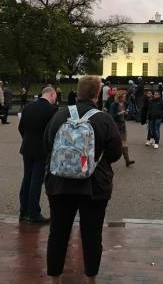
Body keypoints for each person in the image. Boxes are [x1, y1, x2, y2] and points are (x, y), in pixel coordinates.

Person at [43, 75, 122, 284]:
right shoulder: (104, 119)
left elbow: (47, 144)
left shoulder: (60, 115)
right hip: (94, 186)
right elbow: (115, 153)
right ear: (97, 94)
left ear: (77, 92)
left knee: (58, 233)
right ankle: (91, 277)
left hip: (60, 183)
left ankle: (55, 278)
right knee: (92, 235)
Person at [18, 86, 58, 224]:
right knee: (36, 180)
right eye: (55, 96)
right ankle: (34, 212)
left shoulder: (28, 107)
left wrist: (27, 139)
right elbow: (53, 131)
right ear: (52, 94)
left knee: (27, 178)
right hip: (42, 149)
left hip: (27, 147)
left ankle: (23, 211)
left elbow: (21, 127)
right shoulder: (52, 110)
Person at [110, 91, 135, 167]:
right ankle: (107, 161)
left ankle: (127, 160)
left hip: (122, 125)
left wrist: (127, 113)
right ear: (119, 97)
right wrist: (119, 113)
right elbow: (111, 115)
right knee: (113, 143)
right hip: (115, 125)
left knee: (124, 143)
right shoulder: (114, 104)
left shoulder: (125, 104)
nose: (125, 98)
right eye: (123, 96)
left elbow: (126, 115)